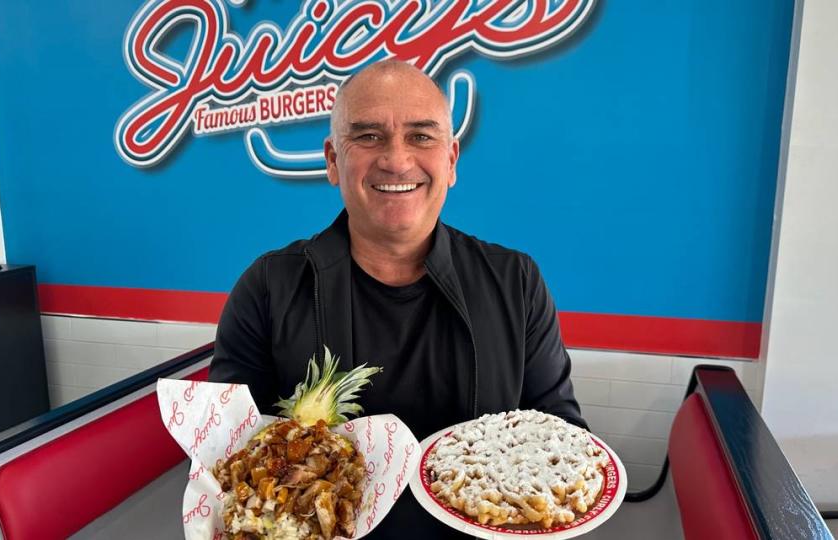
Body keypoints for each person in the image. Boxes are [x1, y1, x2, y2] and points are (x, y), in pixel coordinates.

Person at [209, 59, 586, 538]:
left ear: (450, 161)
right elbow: (231, 460)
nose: (396, 159)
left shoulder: (515, 282)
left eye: (421, 137)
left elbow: (564, 437)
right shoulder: (268, 287)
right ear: (331, 160)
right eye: (367, 136)